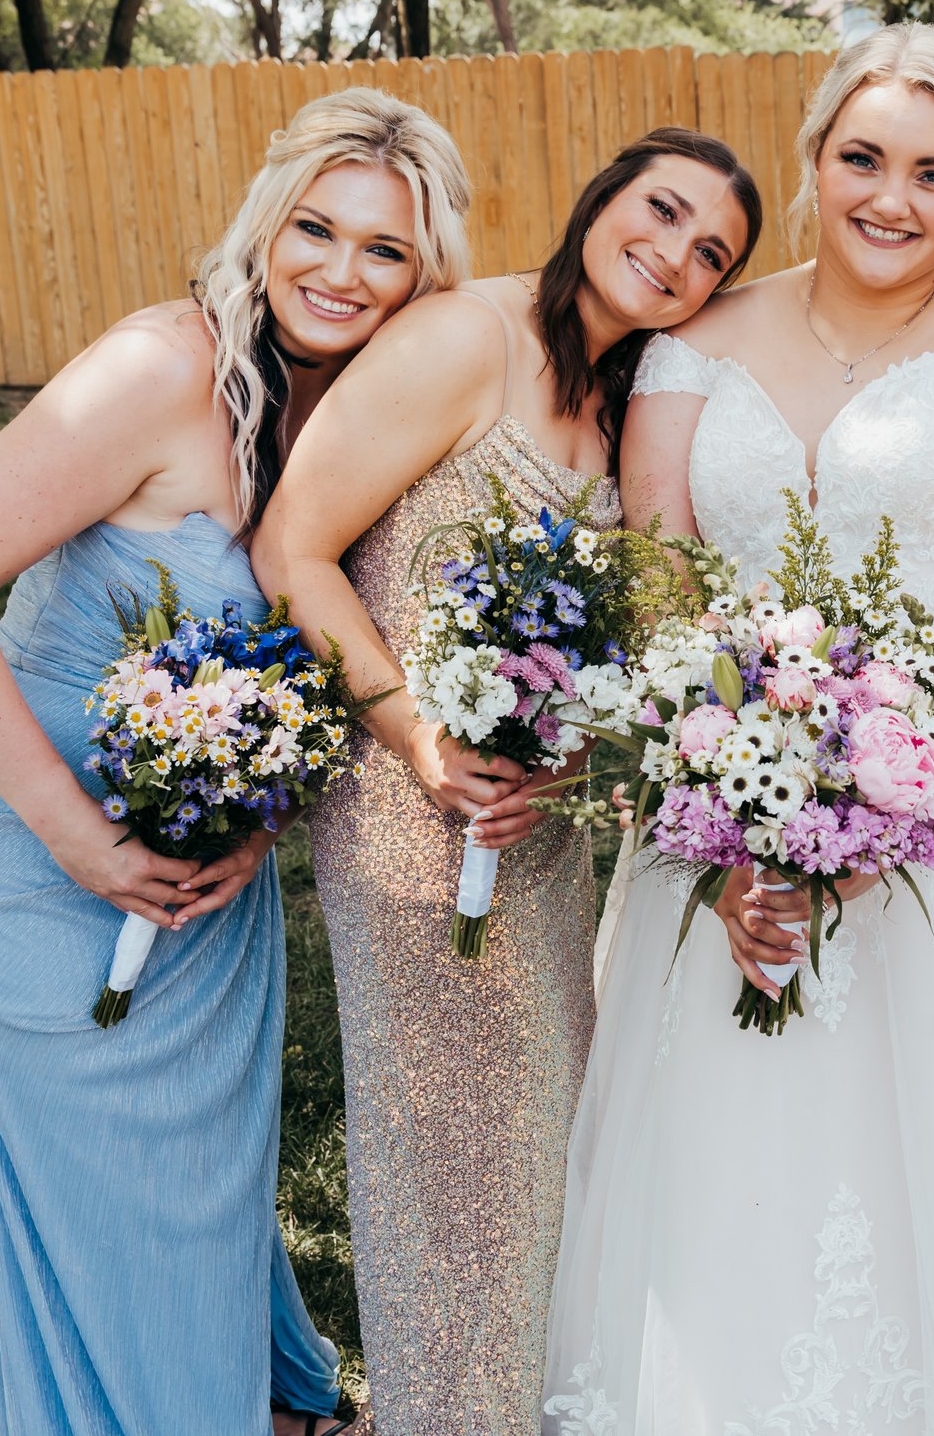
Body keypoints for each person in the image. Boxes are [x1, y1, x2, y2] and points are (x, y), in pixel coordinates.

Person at [542, 26, 934, 1434]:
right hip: (722, 818)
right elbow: (663, 595)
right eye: (862, 159)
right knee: (733, 1179)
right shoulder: (693, 347)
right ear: (814, 158)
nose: (891, 200)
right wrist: (730, 824)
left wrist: (878, 805)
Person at [0, 86, 473, 1436]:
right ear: (266, 222)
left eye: (388, 251)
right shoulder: (157, 370)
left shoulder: (354, 414)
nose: (342, 272)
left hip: (208, 877)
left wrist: (263, 814)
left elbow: (314, 648)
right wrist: (79, 838)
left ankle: (256, 1401)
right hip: (34, 860)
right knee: (99, 1207)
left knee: (202, 1187)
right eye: (317, 229)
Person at [251, 128, 760, 1436]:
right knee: (451, 1183)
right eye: (661, 210)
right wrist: (423, 741)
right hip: (407, 827)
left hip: (535, 840)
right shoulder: (462, 339)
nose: (675, 252)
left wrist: (577, 734)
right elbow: (295, 550)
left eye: (712, 253)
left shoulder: (627, 398)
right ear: (599, 199)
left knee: (546, 1171)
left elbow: (616, 630)